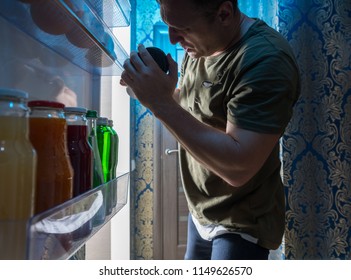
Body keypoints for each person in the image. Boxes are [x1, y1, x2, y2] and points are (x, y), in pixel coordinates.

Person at [121, 0, 300, 260]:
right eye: (169, 26)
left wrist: (160, 102)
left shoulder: (266, 60)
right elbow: (201, 107)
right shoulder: (201, 45)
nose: (172, 39)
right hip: (201, 212)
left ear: (224, 14)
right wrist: (152, 90)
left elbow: (238, 166)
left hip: (241, 222)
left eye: (181, 28)